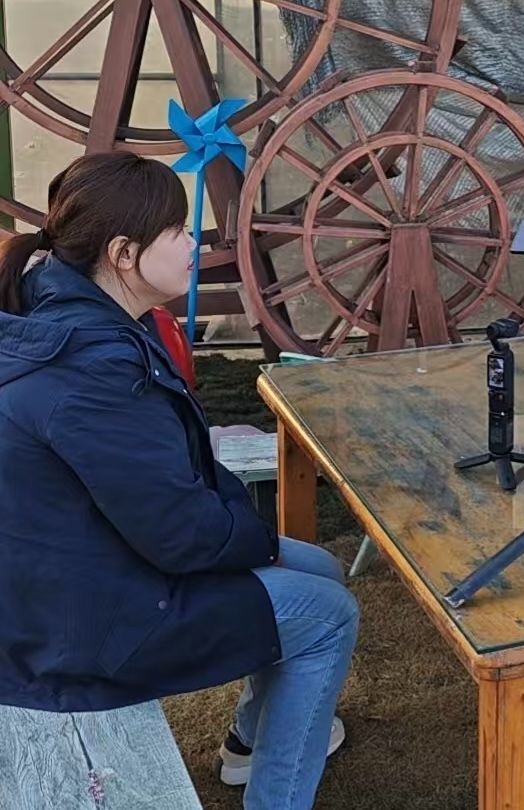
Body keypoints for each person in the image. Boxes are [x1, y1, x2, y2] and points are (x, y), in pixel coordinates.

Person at [0, 152, 359, 810]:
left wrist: (253, 538)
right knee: (328, 614)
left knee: (322, 568)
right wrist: (257, 541)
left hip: (75, 575)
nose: (194, 244)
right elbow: (180, 535)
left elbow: (169, 487)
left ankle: (247, 744)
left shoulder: (79, 312)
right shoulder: (91, 369)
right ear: (123, 254)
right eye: (178, 231)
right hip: (78, 628)